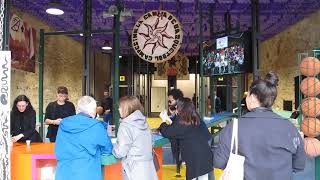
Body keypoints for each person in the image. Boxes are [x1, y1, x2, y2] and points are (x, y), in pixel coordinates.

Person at [213, 71, 306, 180]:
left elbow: (218, 162)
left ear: (252, 98)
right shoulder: (289, 127)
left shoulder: (234, 127)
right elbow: (299, 165)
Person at [55, 96, 113, 180]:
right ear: (93, 111)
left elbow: (59, 146)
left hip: (63, 173)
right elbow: (107, 149)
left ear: (78, 109)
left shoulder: (64, 123)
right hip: (87, 173)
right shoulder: (96, 126)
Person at [159, 98, 213, 180]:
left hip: (195, 158)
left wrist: (163, 120)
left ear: (181, 108)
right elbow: (177, 128)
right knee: (203, 176)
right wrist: (169, 119)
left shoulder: (182, 121)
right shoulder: (194, 117)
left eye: (177, 107)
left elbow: (168, 132)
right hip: (205, 155)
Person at [112, 96, 157, 180]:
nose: (118, 109)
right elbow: (152, 142)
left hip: (133, 169)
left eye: (121, 107)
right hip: (148, 168)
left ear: (127, 108)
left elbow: (120, 152)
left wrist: (113, 148)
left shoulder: (125, 125)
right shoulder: (144, 122)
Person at [160, 88, 184, 177]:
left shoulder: (182, 109)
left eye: (171, 101)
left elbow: (175, 126)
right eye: (168, 101)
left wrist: (165, 120)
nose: (169, 103)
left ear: (178, 100)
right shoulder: (177, 108)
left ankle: (178, 162)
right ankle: (178, 162)